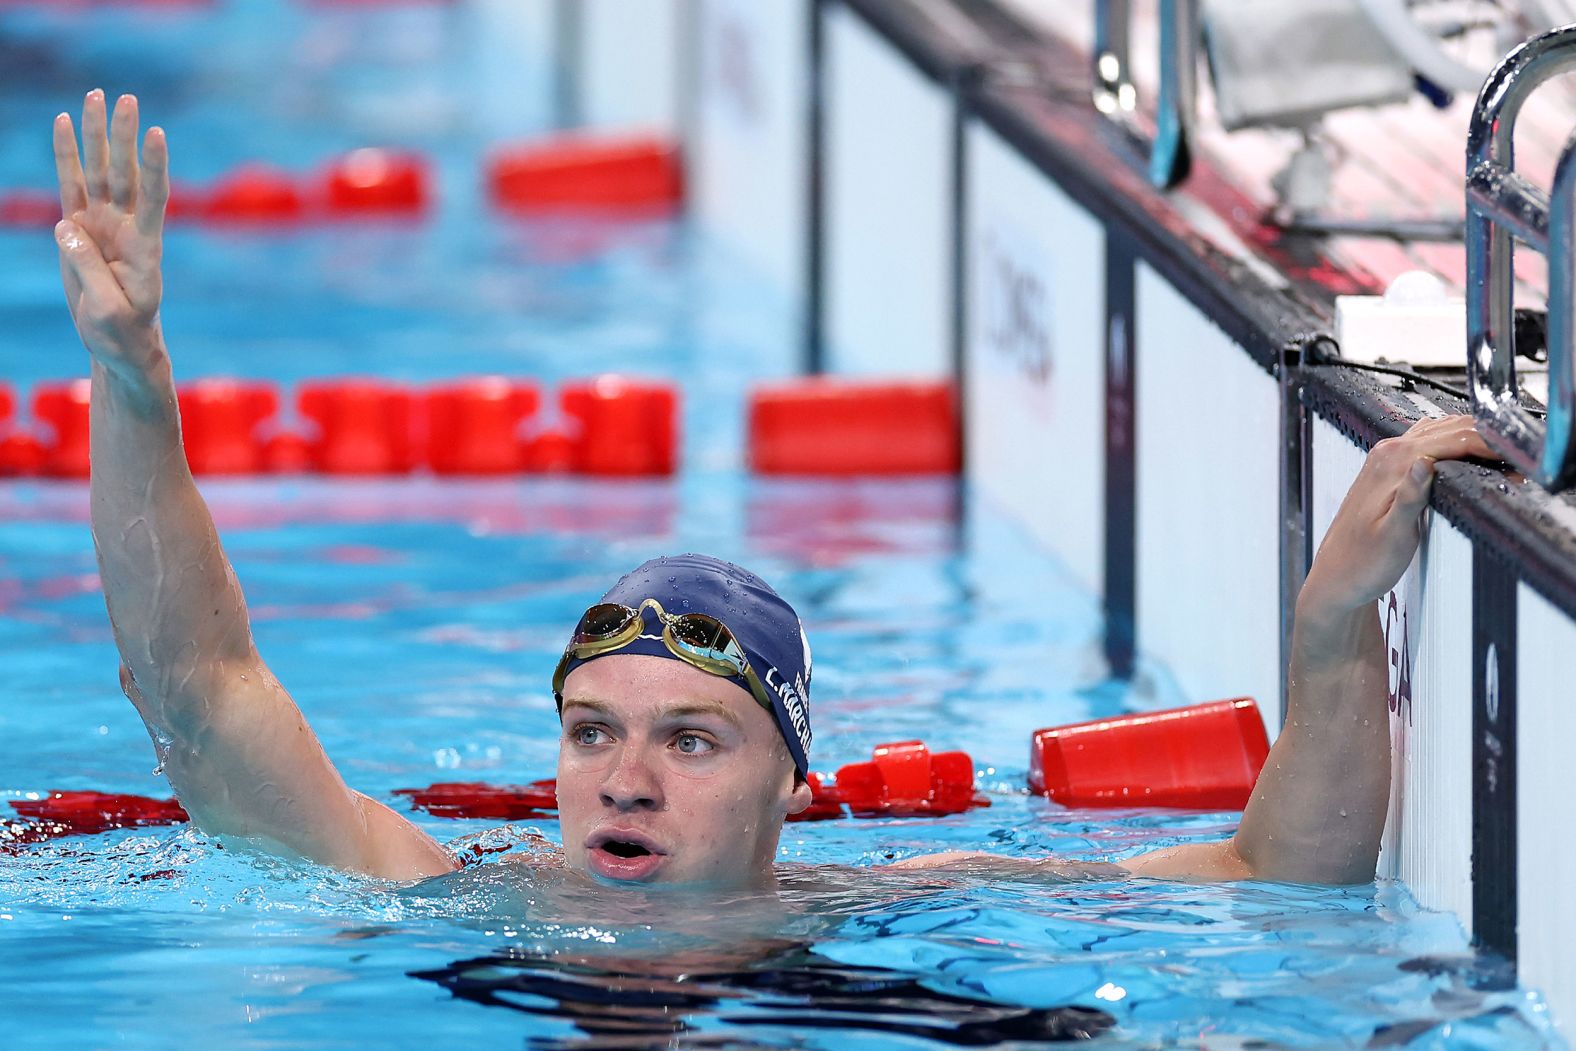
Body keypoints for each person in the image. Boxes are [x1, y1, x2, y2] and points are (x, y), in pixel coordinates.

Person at [50, 90, 1496, 891]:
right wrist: (133, 378)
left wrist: (1328, 636)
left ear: (796, 786)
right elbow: (195, 693)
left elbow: (1279, 877)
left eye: (691, 741)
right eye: (591, 733)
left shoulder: (900, 914)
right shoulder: (467, 902)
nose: (620, 778)